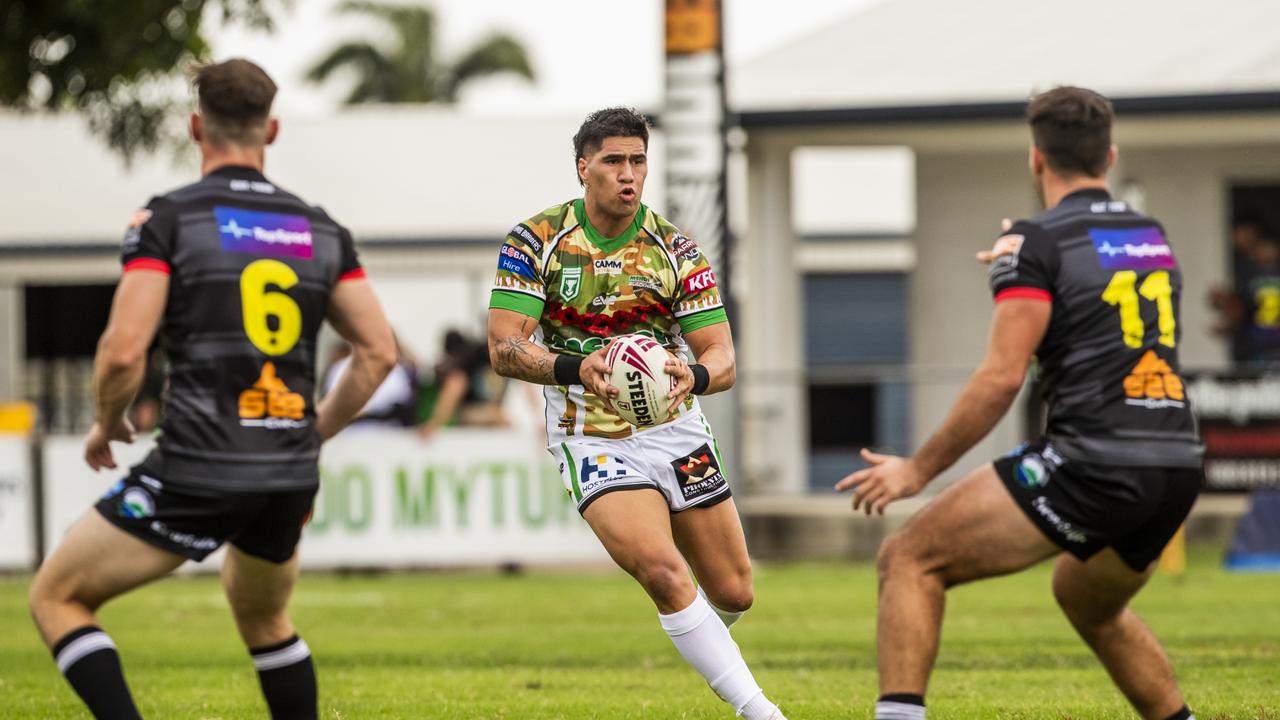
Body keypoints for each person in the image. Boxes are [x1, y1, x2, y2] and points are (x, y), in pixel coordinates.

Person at [27, 59, 397, 720]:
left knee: (56, 597)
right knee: (263, 615)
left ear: (196, 127)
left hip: (202, 462)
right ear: (272, 130)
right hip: (286, 469)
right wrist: (312, 434)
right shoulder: (319, 229)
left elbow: (121, 350)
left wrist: (106, 420)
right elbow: (377, 353)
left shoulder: (170, 219)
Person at [837, 86, 1203, 720]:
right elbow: (1087, 282)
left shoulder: (1034, 245)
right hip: (1175, 462)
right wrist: (1024, 258)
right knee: (1087, 599)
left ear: (1037, 160)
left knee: (909, 558)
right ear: (1109, 156)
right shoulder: (1150, 235)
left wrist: (916, 471)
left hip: (1094, 461)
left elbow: (1001, 377)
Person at [487, 107, 786, 720]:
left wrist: (693, 377)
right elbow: (504, 347)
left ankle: (697, 630)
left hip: (673, 425)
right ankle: (759, 710)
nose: (629, 175)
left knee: (734, 592)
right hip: (588, 432)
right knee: (664, 571)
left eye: (638, 161)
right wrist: (578, 368)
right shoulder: (535, 241)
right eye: (614, 161)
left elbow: (722, 356)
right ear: (583, 168)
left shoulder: (674, 249)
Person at [417, 329, 508, 439]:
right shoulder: (475, 356)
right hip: (468, 414)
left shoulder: (502, 357)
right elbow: (456, 383)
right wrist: (435, 423)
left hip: (485, 414)